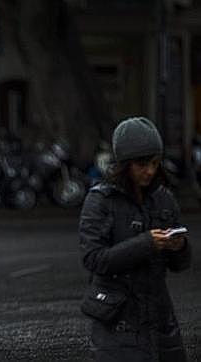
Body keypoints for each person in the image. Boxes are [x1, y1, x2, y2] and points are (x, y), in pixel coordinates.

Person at [79, 117, 191, 361]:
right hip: (116, 322)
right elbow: (94, 259)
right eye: (141, 164)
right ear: (124, 164)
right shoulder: (100, 201)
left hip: (160, 320)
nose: (150, 171)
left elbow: (181, 264)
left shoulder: (164, 199)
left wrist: (178, 246)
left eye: (154, 163)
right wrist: (147, 243)